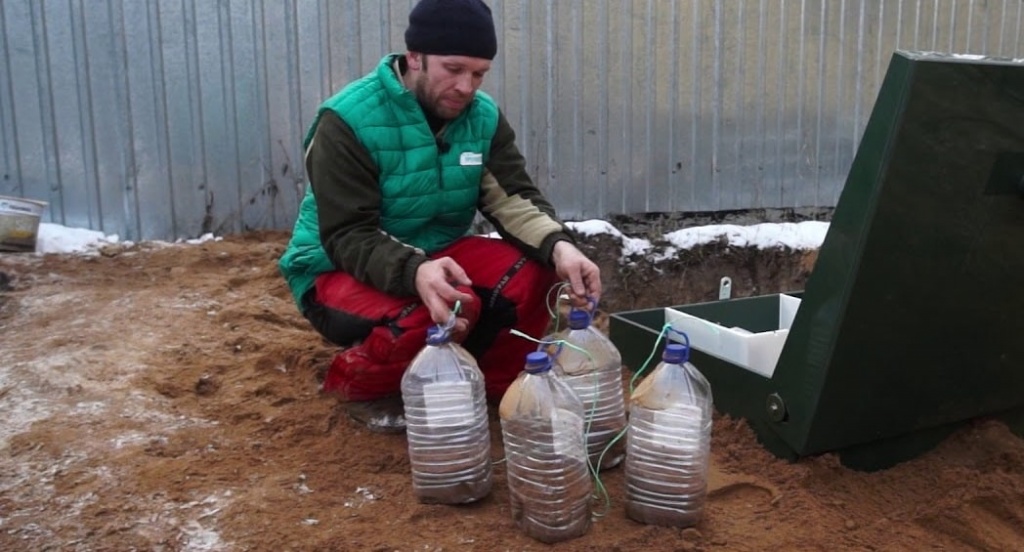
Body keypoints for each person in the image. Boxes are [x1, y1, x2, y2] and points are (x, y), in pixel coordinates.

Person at [278, 0, 602, 432]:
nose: (467, 86)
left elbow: (512, 197)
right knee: (434, 307)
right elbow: (347, 234)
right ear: (414, 57)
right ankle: (362, 388)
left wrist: (560, 247)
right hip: (332, 268)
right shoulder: (347, 120)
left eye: (479, 73)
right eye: (453, 69)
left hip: (436, 252)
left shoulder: (481, 118)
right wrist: (416, 271)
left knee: (536, 271)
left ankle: (496, 385)